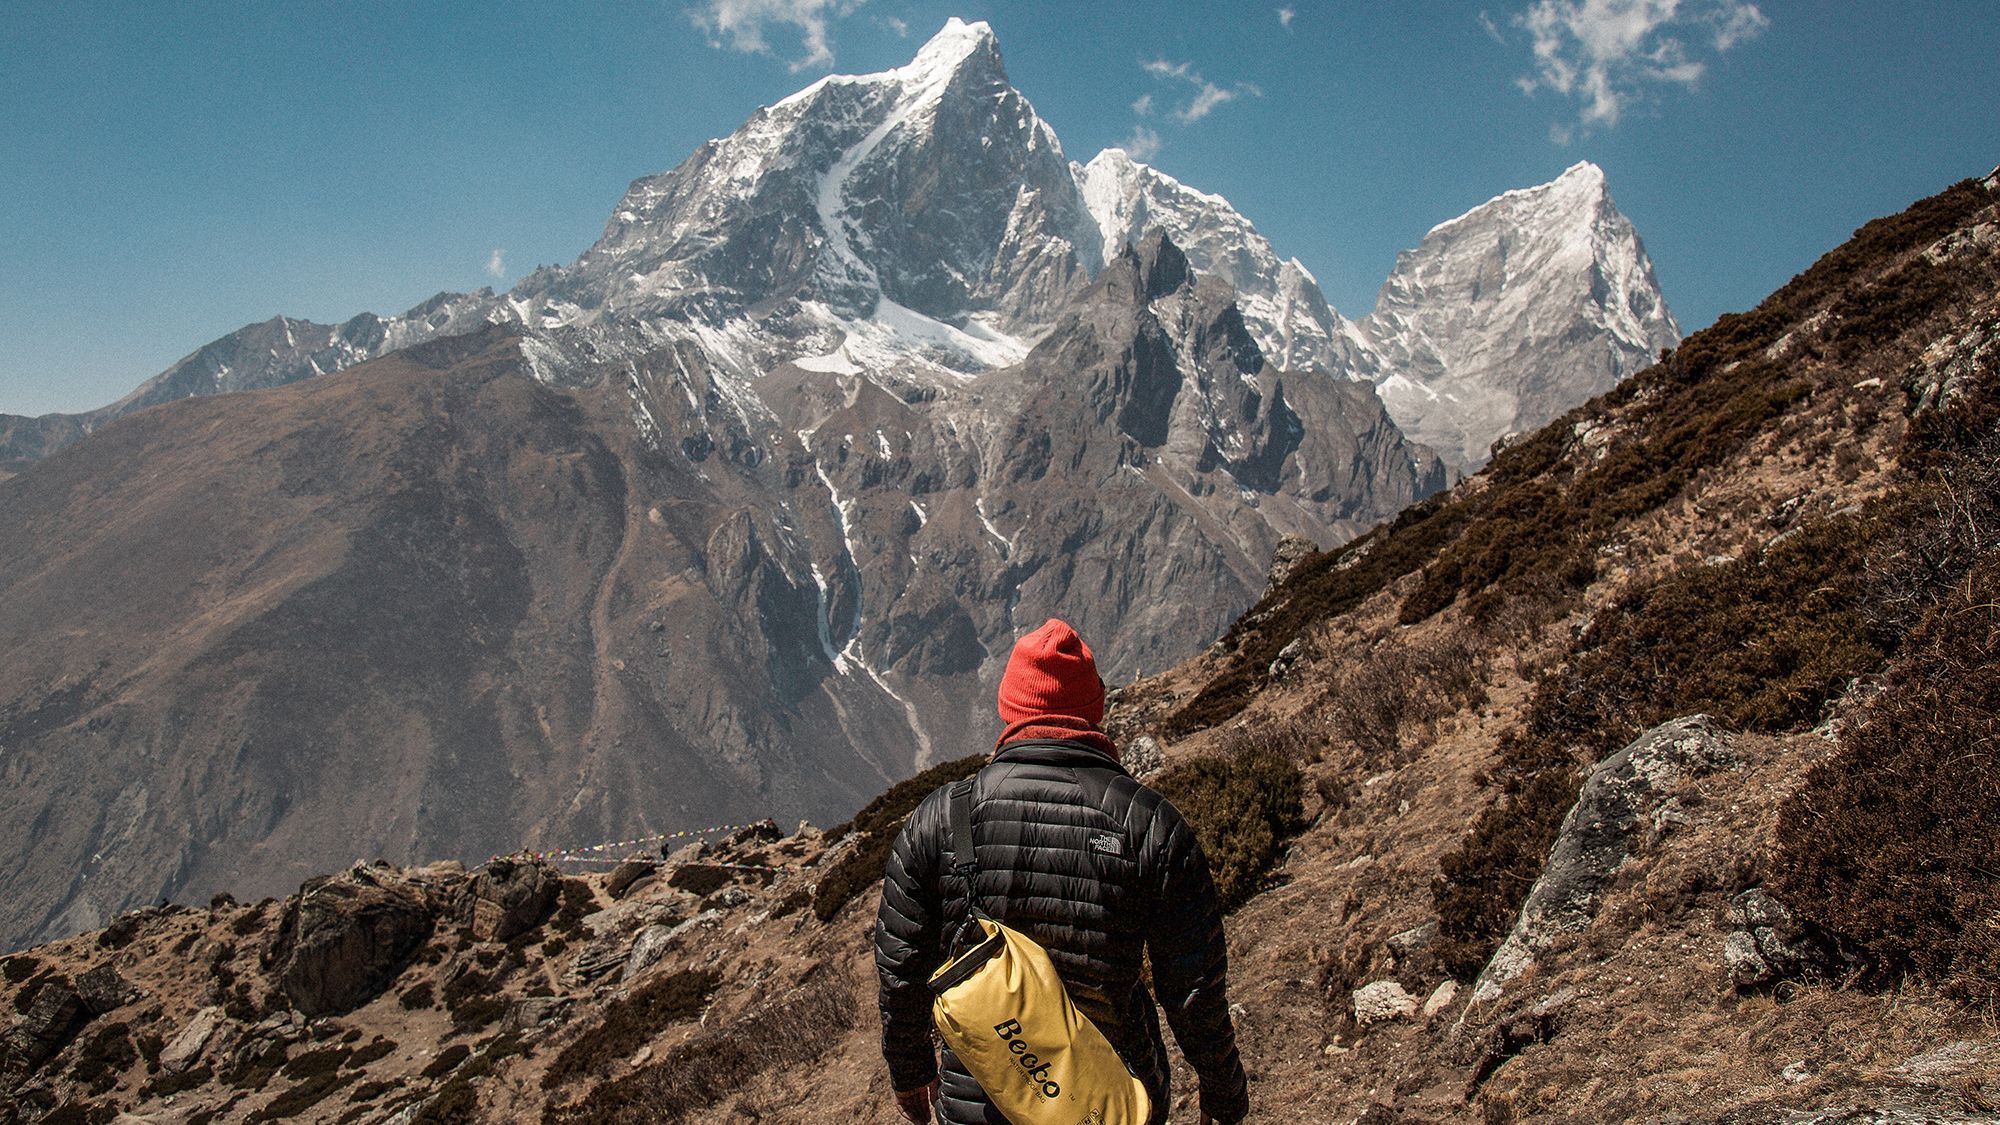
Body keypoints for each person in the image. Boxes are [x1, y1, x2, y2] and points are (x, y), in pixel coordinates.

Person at [875, 618, 1251, 1124]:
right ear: (1093, 709)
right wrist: (1223, 1094)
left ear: (1009, 708)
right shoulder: (1148, 824)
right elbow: (1193, 991)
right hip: (1110, 1096)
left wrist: (909, 1071)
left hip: (981, 1097)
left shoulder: (941, 818)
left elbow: (901, 968)